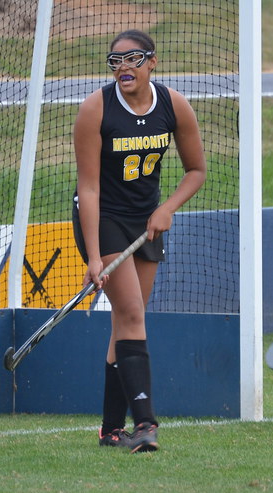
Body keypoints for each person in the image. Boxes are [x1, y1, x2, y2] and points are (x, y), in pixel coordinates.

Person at [72, 29, 206, 453]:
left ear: (152, 62)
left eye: (133, 58)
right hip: (104, 217)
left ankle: (111, 428)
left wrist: (167, 208)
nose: (123, 67)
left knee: (127, 321)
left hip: (146, 220)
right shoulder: (96, 108)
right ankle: (145, 424)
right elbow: (89, 190)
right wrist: (93, 257)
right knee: (131, 313)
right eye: (115, 61)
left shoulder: (173, 104)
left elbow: (196, 171)